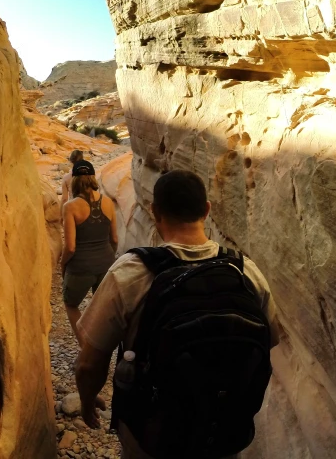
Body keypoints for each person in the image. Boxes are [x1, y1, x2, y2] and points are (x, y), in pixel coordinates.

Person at [74, 169, 280, 459]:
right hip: (223, 431)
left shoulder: (131, 273)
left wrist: (86, 401)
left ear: (155, 212)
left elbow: (89, 364)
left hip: (153, 434)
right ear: (206, 210)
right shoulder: (245, 271)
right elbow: (269, 339)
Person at [61, 159, 118, 347]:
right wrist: (109, 258)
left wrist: (63, 265)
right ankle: (100, 346)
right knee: (100, 307)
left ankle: (85, 347)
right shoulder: (108, 202)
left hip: (80, 267)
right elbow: (115, 239)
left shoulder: (70, 207)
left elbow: (70, 247)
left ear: (74, 180)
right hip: (105, 262)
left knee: (71, 305)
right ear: (93, 177)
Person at [60, 149, 84, 220]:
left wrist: (61, 215)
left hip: (73, 208)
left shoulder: (66, 177)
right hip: (86, 208)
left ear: (70, 161)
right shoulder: (87, 176)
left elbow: (64, 198)